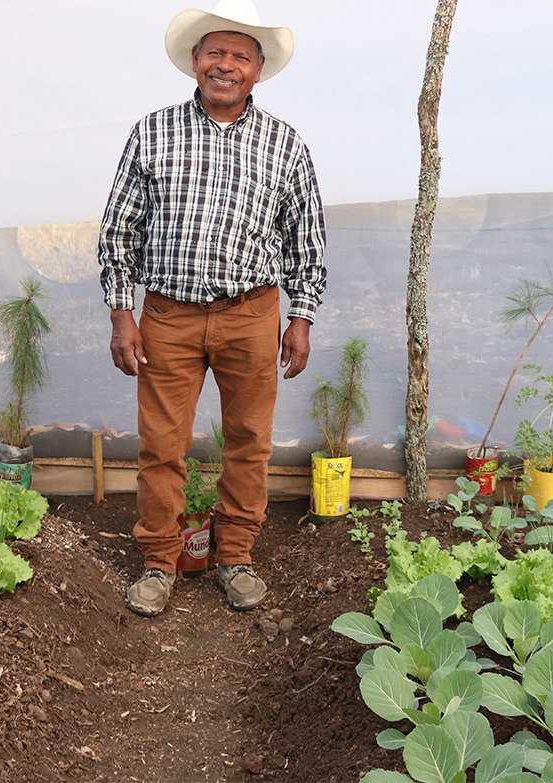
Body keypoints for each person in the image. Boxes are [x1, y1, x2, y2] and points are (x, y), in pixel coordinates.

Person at [98, 0, 327, 617]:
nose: (226, 64)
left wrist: (300, 318)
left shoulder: (286, 145)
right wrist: (123, 314)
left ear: (257, 70)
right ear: (195, 61)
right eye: (215, 52)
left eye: (240, 56)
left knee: (249, 440)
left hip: (252, 313)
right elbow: (119, 231)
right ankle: (158, 561)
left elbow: (306, 240)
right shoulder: (153, 133)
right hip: (167, 316)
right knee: (161, 444)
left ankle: (234, 557)